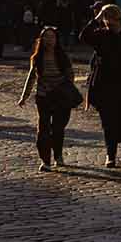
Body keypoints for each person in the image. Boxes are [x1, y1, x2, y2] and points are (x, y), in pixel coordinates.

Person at [79, 3, 121, 166]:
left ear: (118, 19)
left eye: (111, 18)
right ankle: (111, 154)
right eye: (106, 18)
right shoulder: (101, 36)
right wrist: (97, 17)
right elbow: (83, 36)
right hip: (104, 84)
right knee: (108, 122)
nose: (108, 22)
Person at [18, 24, 78, 169]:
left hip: (60, 97)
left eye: (52, 37)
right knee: (43, 129)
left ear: (56, 39)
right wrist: (24, 96)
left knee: (58, 128)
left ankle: (58, 156)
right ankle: (45, 160)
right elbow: (31, 77)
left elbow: (70, 76)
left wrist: (65, 90)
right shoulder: (37, 57)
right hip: (43, 96)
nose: (49, 40)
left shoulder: (63, 57)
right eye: (46, 37)